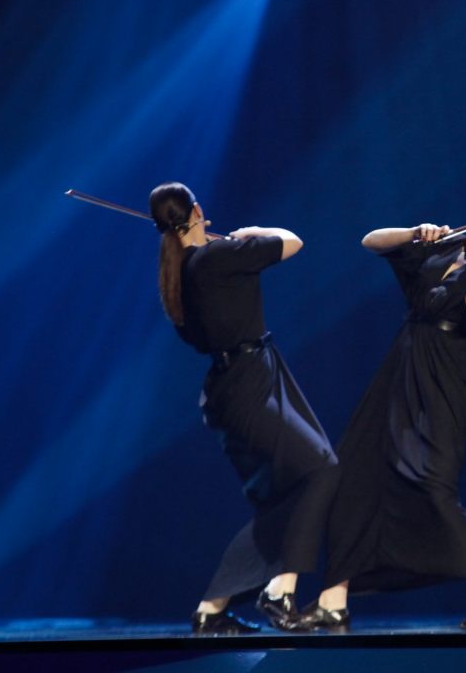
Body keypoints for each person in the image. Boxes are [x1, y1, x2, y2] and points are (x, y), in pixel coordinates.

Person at [299, 180, 466, 632]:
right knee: (353, 473)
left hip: (446, 375)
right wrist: (416, 232)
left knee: (434, 484)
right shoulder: (452, 244)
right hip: (403, 364)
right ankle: (333, 600)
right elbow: (371, 241)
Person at [149, 183, 339, 635]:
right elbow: (293, 241)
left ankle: (211, 610)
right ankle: (280, 590)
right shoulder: (216, 257)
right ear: (198, 211)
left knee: (285, 495)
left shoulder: (180, 272)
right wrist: (254, 232)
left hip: (232, 384)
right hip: (249, 381)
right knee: (320, 471)